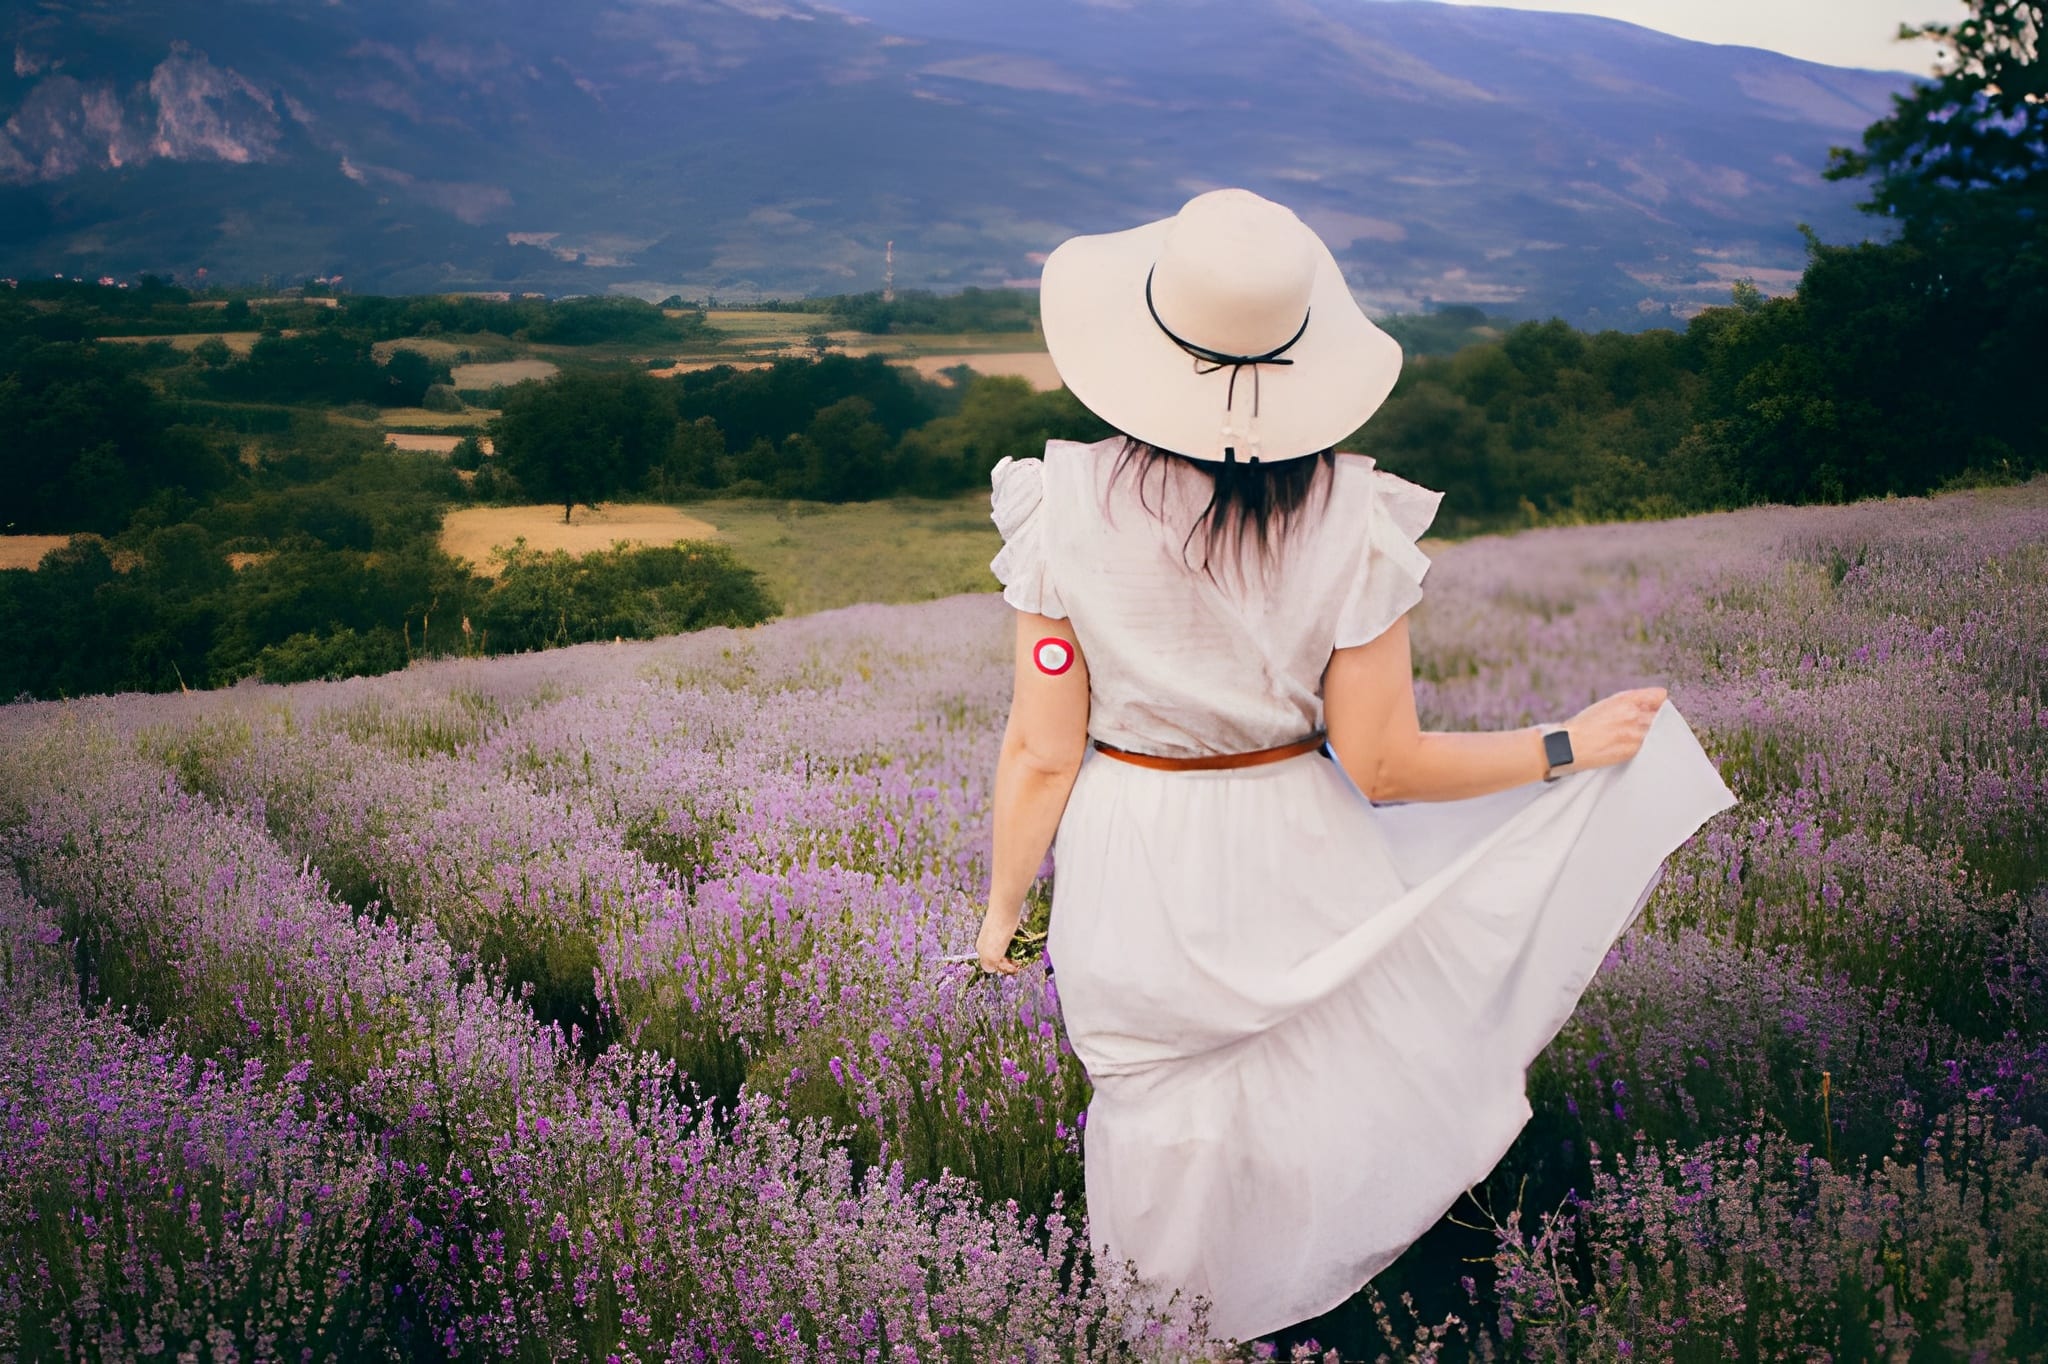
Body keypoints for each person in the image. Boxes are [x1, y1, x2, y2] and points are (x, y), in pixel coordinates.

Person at [973, 187, 1739, 1341]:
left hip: (1134, 839)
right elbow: (1380, 764)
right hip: (1299, 829)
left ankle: (1176, 1326)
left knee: (1159, 1112)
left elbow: (1041, 749)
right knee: (1328, 1083)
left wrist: (999, 915)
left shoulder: (1059, 502)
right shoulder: (1351, 513)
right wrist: (1562, 747)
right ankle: (1338, 1305)